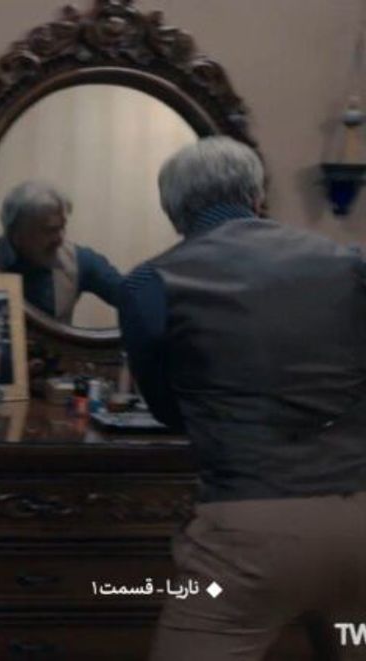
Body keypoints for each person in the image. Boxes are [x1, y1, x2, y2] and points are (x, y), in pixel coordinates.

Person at [118, 136, 366, 660]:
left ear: (173, 212)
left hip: (250, 536)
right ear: (258, 197)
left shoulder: (151, 282)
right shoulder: (350, 262)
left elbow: (168, 411)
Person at [0, 181, 123, 323]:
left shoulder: (79, 260)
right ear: (17, 234)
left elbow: (130, 297)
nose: (60, 239)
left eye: (62, 227)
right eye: (50, 230)